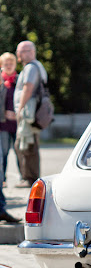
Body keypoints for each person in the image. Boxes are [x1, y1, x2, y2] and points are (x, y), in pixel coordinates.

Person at [14, 41, 47, 188]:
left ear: (31, 51)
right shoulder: (36, 66)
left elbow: (28, 88)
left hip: (28, 113)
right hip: (32, 112)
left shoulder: (31, 68)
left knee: (27, 144)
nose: (19, 54)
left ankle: (30, 178)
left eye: (22, 51)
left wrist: (20, 109)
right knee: (26, 144)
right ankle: (29, 177)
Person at [0, 53, 18, 188]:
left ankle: (24, 177)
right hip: (4, 124)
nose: (9, 66)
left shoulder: (19, 80)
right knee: (4, 151)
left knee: (20, 151)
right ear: (2, 66)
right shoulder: (1, 82)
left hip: (17, 122)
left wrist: (17, 114)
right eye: (6, 64)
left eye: (11, 63)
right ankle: (3, 178)